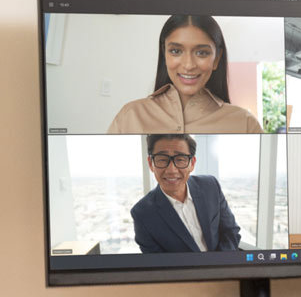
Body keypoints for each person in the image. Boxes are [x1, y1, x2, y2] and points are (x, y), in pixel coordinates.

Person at [108, 15, 263, 134]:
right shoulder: (130, 116)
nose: (188, 65)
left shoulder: (245, 124)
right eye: (176, 51)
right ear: (165, 55)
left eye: (202, 53)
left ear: (216, 59)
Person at [130, 134, 242, 253]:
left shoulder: (210, 186)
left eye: (180, 159)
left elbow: (231, 231)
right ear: (150, 163)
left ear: (192, 163)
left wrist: (218, 266)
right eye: (162, 159)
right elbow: (158, 265)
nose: (171, 170)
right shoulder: (142, 214)